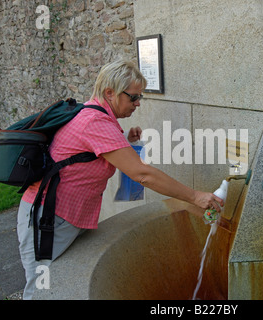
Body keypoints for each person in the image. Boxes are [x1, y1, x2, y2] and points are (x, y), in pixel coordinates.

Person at [17, 59, 224, 300]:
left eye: (140, 97)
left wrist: (124, 137)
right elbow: (142, 174)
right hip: (49, 219)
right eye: (133, 97)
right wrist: (195, 196)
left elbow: (84, 150)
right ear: (110, 93)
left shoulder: (96, 115)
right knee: (41, 288)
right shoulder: (95, 122)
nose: (137, 104)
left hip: (63, 216)